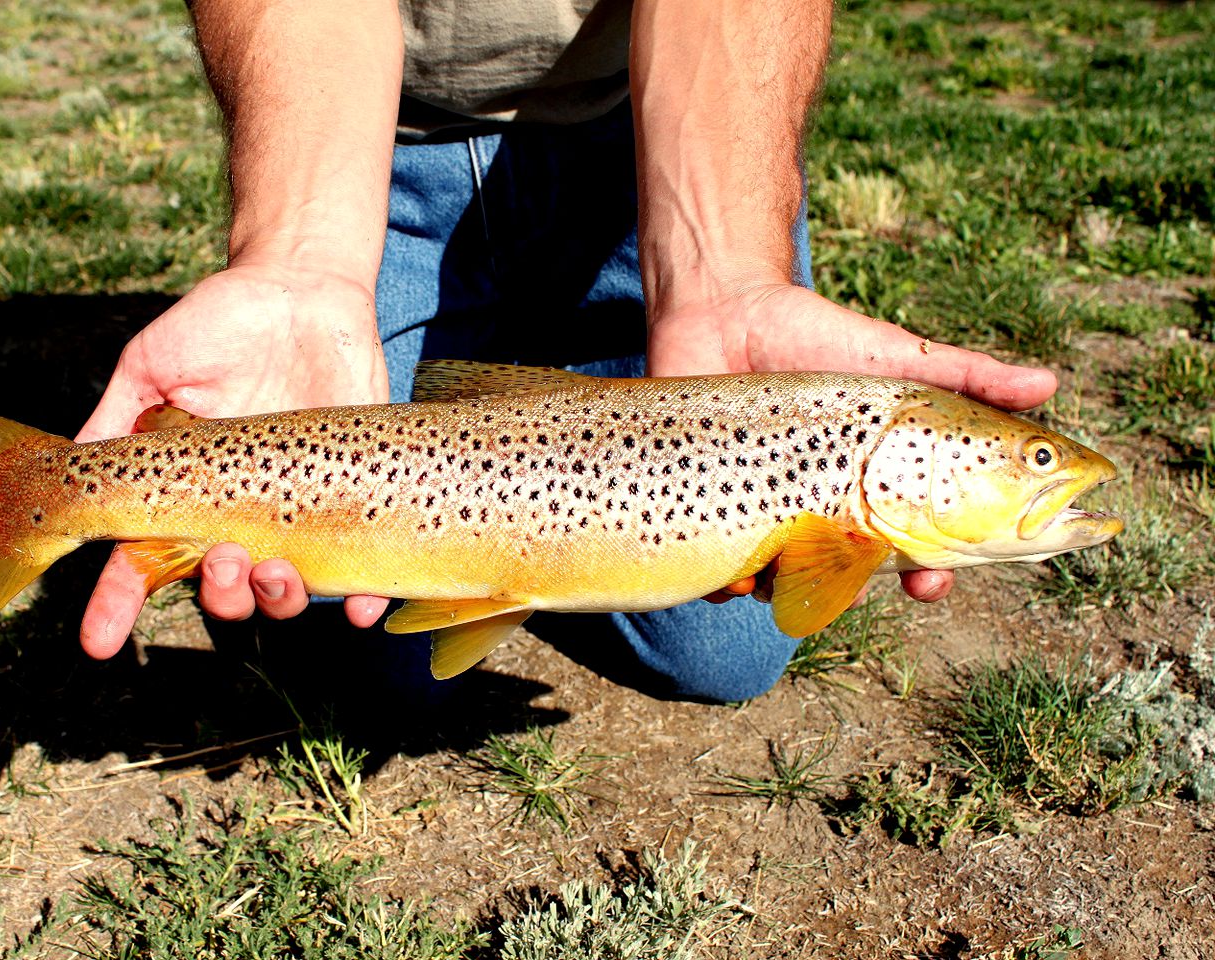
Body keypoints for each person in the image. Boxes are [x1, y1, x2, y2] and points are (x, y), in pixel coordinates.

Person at [72, 0, 1057, 701]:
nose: (1045, 471)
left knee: (724, 645)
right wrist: (299, 258)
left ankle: (534, 482)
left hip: (649, 137)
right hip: (378, 151)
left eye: (1035, 459)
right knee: (366, 658)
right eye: (1036, 462)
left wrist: (726, 274)